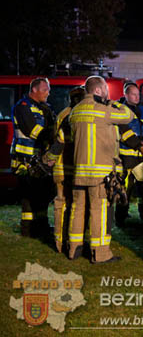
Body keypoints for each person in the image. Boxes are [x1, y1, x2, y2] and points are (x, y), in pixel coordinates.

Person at [68, 76, 134, 263]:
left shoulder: (75, 111)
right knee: (99, 212)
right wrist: (112, 102)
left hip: (79, 171)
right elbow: (127, 115)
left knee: (77, 209)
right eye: (105, 89)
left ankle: (74, 249)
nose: (107, 92)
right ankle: (100, 254)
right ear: (98, 91)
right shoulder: (104, 110)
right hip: (99, 173)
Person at [11, 77, 56, 238]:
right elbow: (33, 130)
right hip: (25, 160)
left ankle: (41, 226)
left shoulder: (45, 108)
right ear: (34, 90)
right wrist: (55, 137)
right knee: (29, 197)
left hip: (41, 160)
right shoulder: (22, 107)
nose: (48, 93)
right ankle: (27, 230)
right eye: (45, 89)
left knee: (44, 195)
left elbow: (53, 126)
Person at [49, 86, 85, 253]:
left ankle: (59, 242)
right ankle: (70, 243)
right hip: (74, 168)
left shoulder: (62, 114)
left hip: (61, 168)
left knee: (61, 205)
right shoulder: (79, 116)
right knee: (73, 205)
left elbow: (55, 139)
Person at [115, 82, 143, 225]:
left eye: (138, 94)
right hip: (126, 155)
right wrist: (138, 144)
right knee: (125, 187)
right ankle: (121, 216)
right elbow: (122, 132)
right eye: (133, 94)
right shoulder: (120, 110)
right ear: (126, 95)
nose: (137, 97)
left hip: (141, 155)